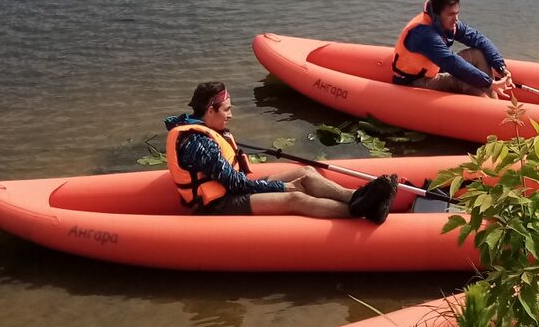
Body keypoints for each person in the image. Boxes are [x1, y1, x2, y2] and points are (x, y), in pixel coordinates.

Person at [164, 82, 396, 222]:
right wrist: (282, 187)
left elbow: (237, 181)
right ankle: (357, 212)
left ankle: (356, 197)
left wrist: (280, 184)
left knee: (306, 172)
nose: (231, 116)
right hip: (219, 204)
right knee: (295, 197)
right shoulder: (197, 142)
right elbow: (234, 184)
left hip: (233, 190)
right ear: (210, 110)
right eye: (227, 110)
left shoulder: (206, 130)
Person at [391, 0, 515, 99]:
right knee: (463, 80)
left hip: (435, 69)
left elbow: (479, 39)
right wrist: (489, 83)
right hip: (413, 81)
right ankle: (492, 111)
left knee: (478, 53)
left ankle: (493, 101)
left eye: (456, 13)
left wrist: (501, 67)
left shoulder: (449, 23)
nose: (456, 19)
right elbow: (452, 63)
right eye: (451, 14)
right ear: (437, 15)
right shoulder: (424, 34)